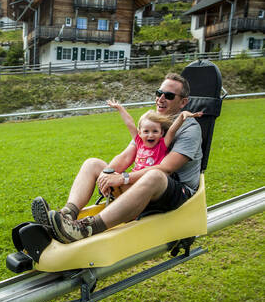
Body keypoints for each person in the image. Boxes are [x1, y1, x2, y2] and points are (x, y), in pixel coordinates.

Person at [31, 73, 203, 243]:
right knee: (92, 164)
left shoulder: (189, 129)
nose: (161, 98)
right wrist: (107, 174)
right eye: (159, 93)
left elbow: (166, 168)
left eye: (169, 95)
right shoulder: (152, 123)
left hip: (178, 193)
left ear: (183, 102)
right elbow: (127, 155)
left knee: (156, 175)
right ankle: (67, 215)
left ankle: (85, 229)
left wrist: (123, 177)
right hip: (146, 185)